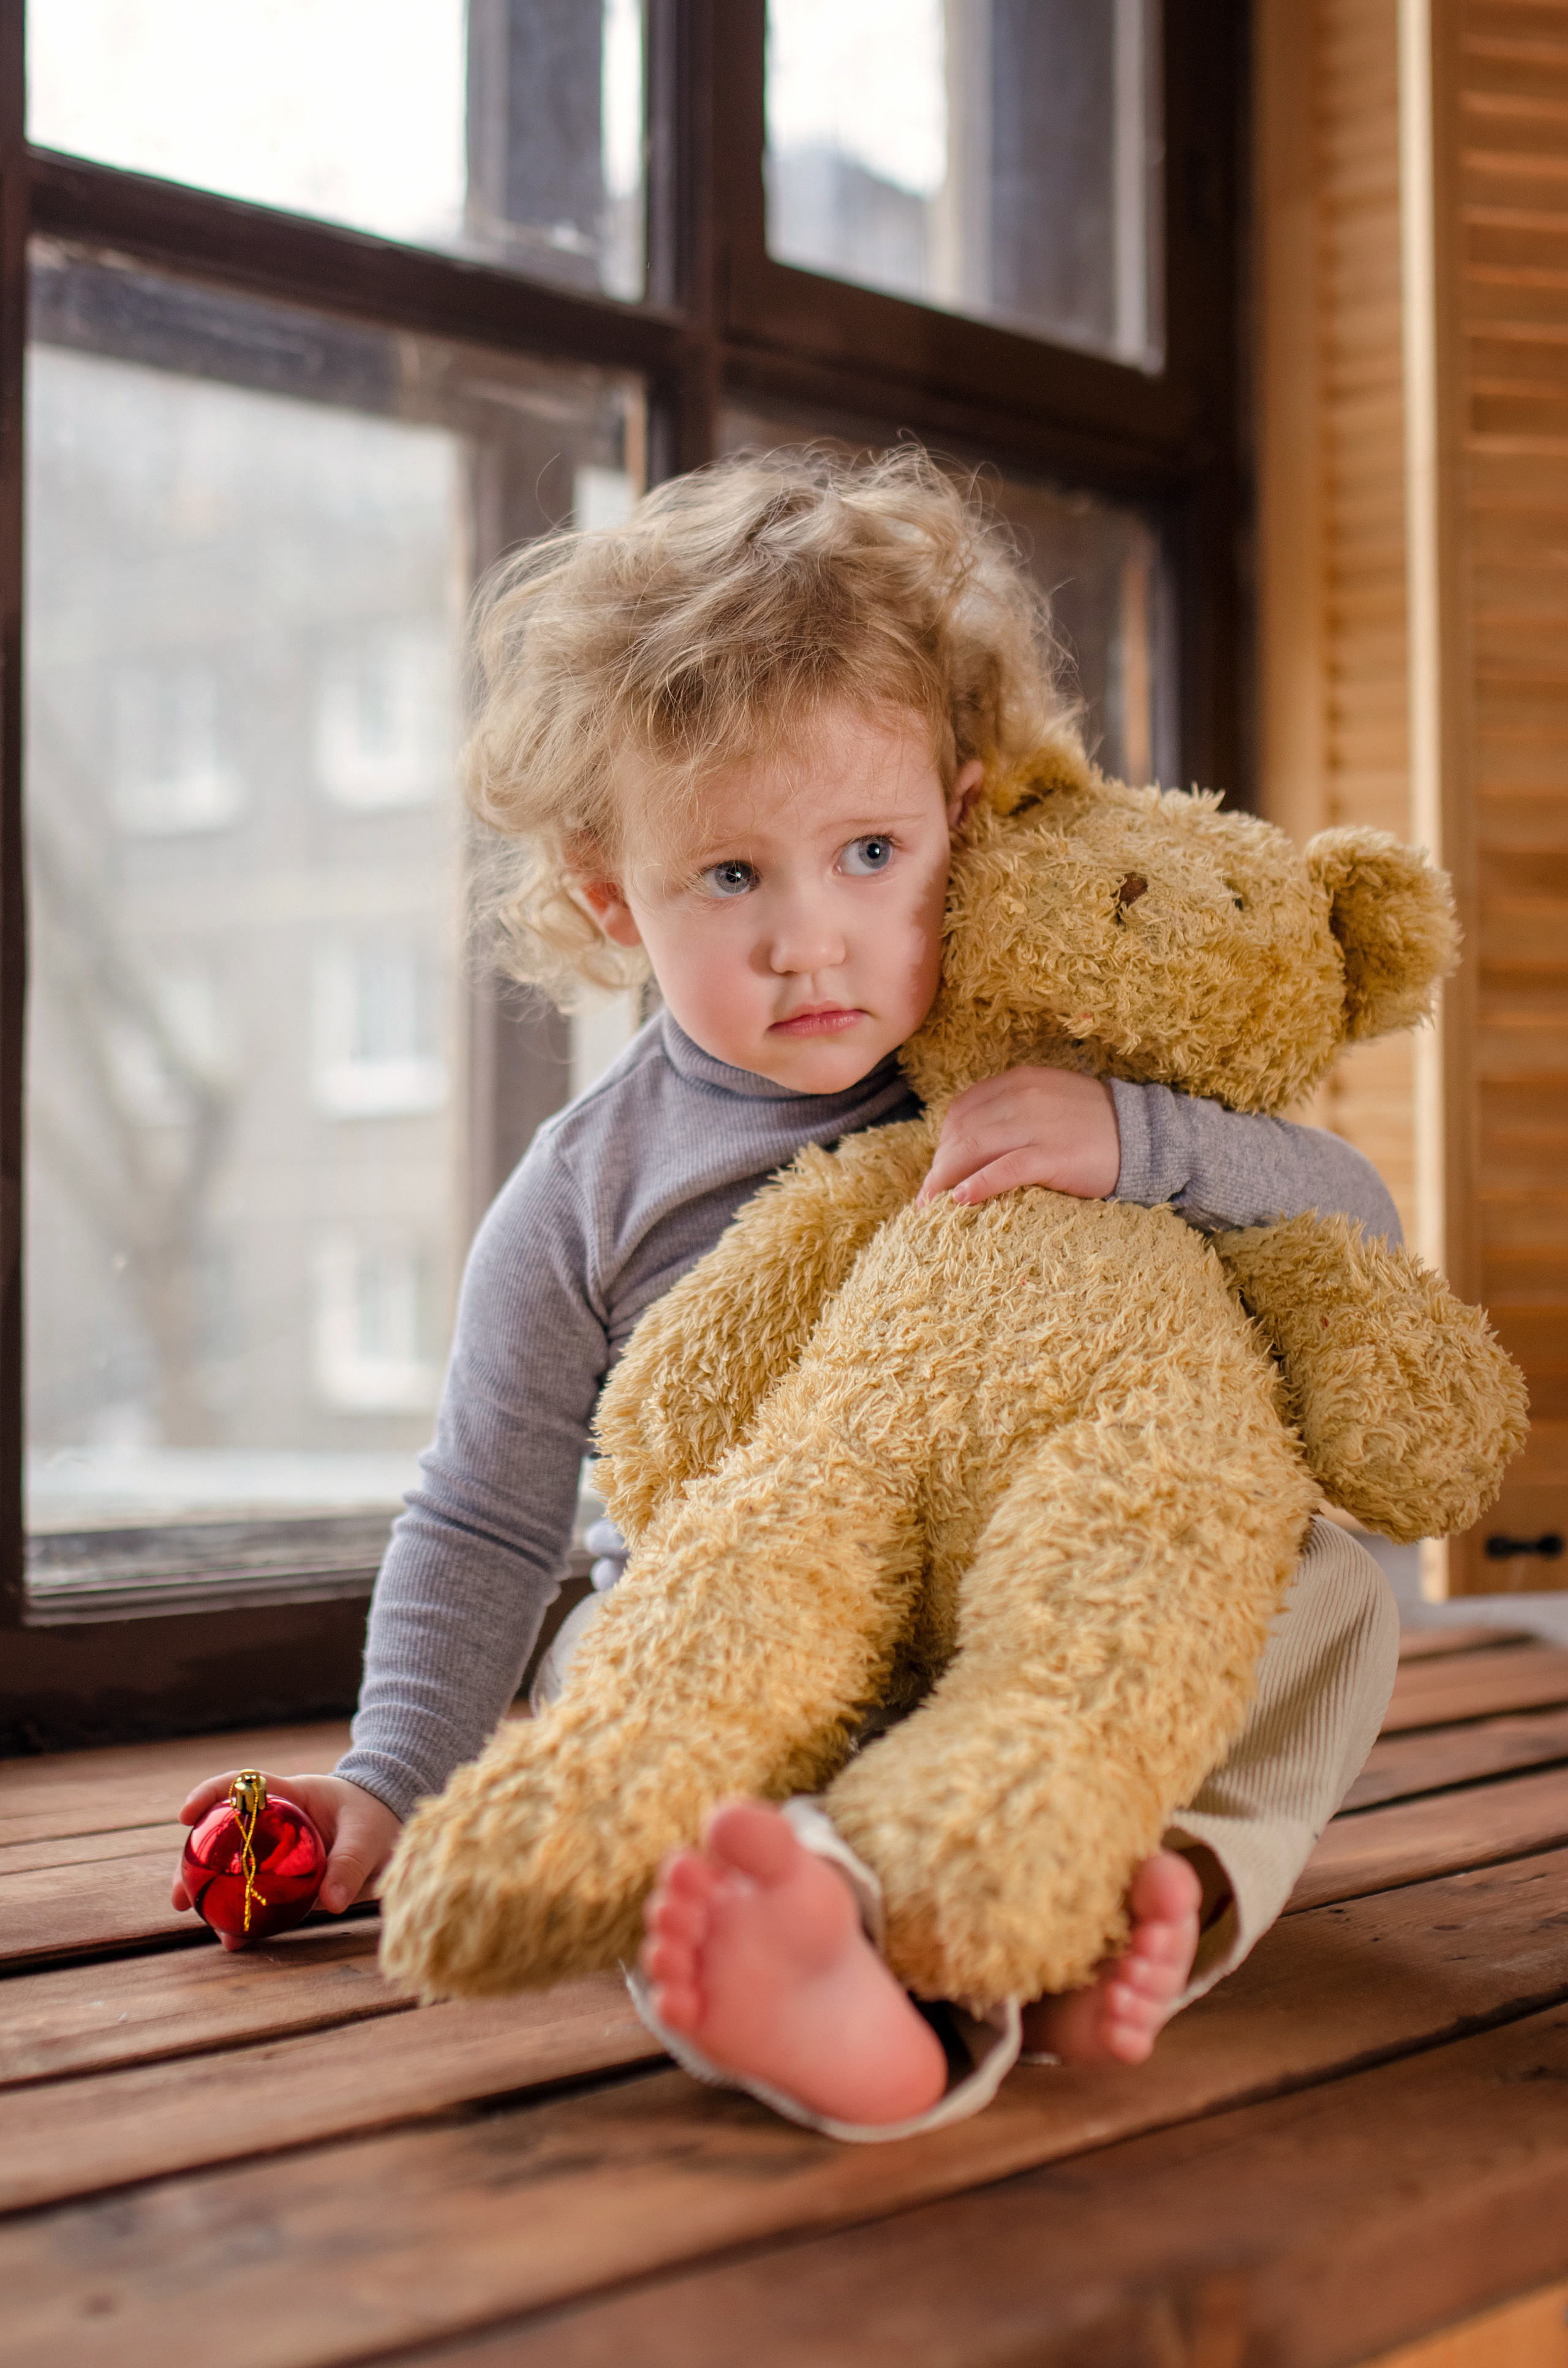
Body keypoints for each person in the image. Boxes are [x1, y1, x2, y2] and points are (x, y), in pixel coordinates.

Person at [173, 447, 1400, 2136]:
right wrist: (386, 1780)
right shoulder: (589, 1186)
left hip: (1031, 1616)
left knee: (1326, 1587)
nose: (809, 940)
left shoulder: (1064, 1055)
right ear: (618, 892)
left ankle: (1140, 1885)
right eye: (732, 877)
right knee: (617, 1701)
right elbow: (480, 1515)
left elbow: (1357, 1224)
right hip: (742, 1629)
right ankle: (814, 1970)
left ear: (964, 819)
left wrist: (1138, 1139)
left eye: (870, 852)